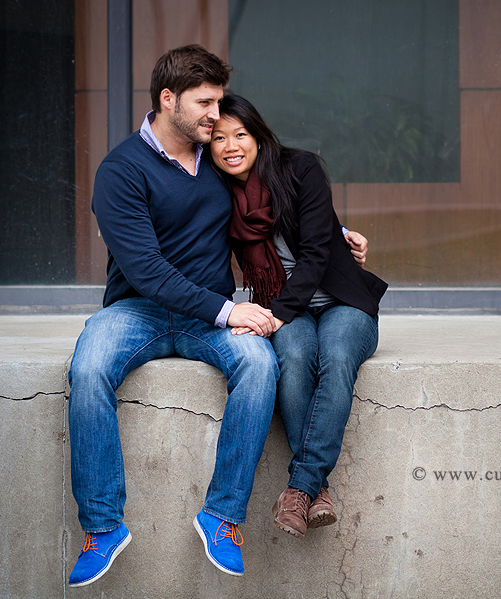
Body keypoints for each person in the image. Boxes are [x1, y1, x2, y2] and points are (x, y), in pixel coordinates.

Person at [66, 45, 282, 586]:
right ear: (169, 100)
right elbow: (147, 271)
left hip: (205, 316)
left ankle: (222, 517)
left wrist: (335, 235)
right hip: (138, 310)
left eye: (218, 101)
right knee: (88, 368)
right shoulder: (121, 171)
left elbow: (280, 202)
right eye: (205, 102)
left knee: (260, 365)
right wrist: (230, 311)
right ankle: (103, 527)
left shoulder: (220, 158)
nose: (217, 114)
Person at [210, 93, 388, 539]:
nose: (231, 145)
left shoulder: (300, 167)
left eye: (240, 134)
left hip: (340, 301)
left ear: (258, 134)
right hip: (285, 308)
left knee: (337, 357)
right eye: (218, 137)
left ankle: (298, 487)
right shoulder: (216, 193)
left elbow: (314, 249)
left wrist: (276, 315)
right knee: (291, 363)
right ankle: (316, 490)